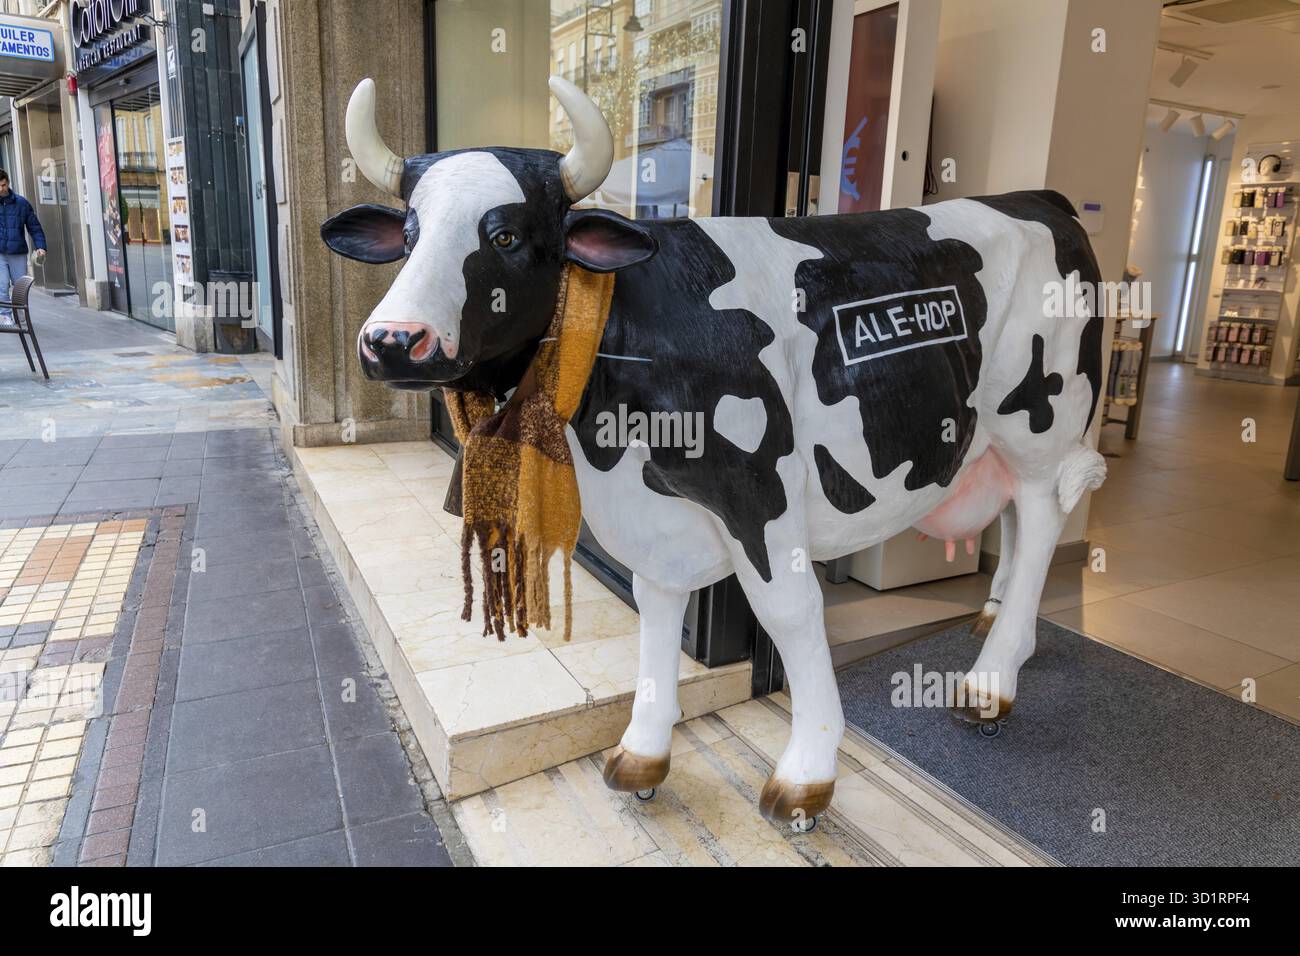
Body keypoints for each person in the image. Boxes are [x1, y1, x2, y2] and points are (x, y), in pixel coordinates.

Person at [0, 169, 46, 326]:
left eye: (3, 185)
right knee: (2, 285)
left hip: (17, 252)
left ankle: (20, 314)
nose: (1, 189)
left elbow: (34, 227)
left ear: (8, 183)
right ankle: (4, 315)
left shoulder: (21, 203)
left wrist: (41, 246)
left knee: (20, 287)